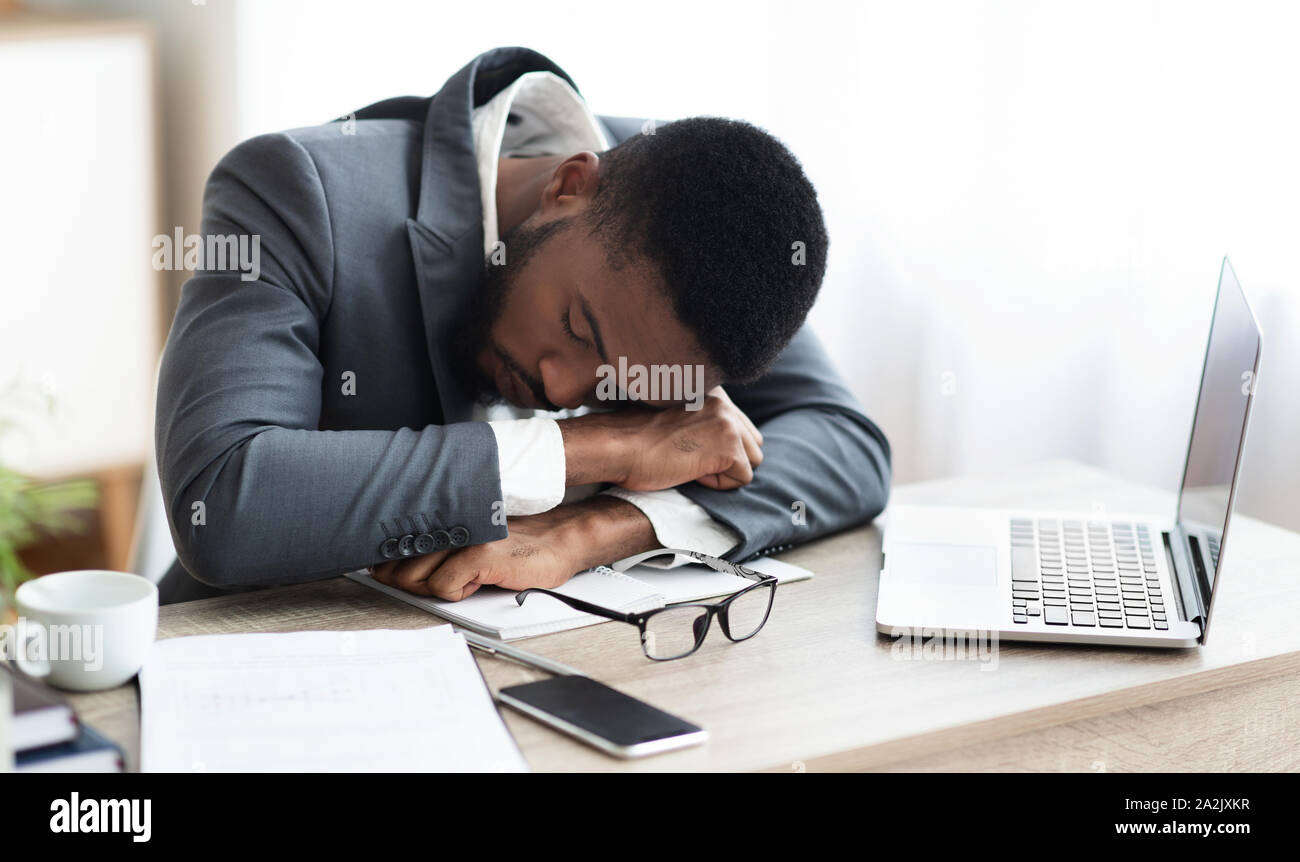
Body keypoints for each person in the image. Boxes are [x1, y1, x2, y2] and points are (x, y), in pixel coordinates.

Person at [154, 47, 890, 604]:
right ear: (570, 187)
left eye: (623, 386)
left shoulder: (719, 239)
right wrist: (598, 446)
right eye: (578, 327)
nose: (561, 385)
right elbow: (223, 500)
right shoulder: (295, 190)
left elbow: (846, 444)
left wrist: (597, 529)